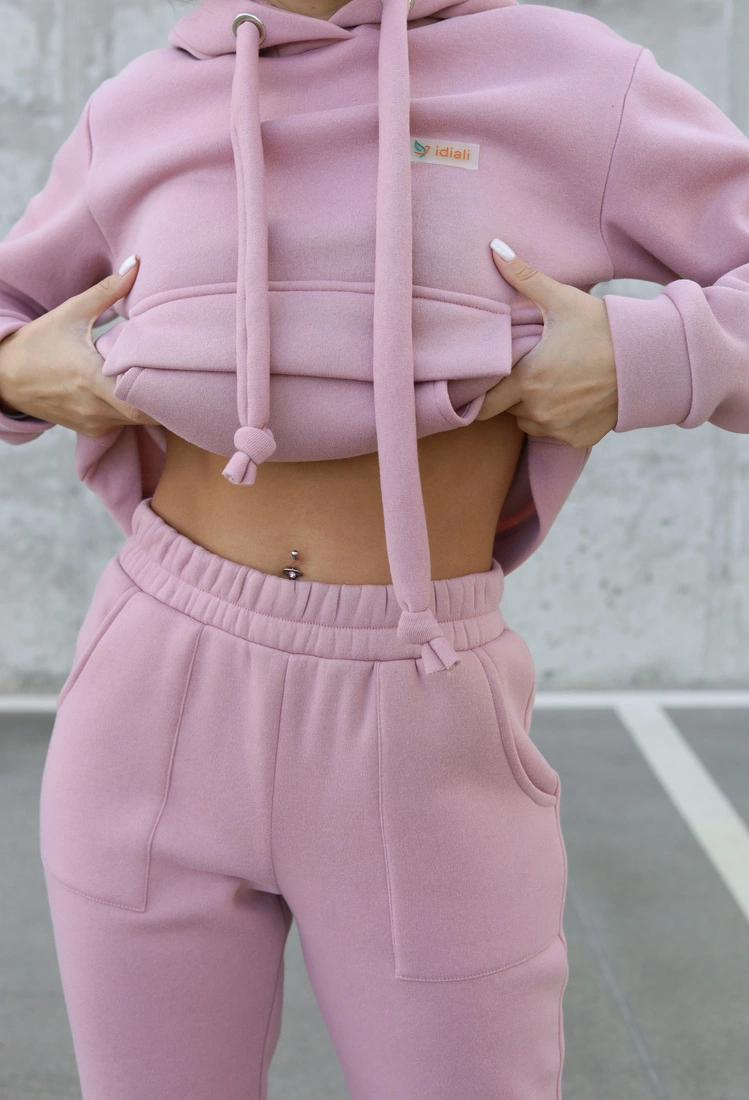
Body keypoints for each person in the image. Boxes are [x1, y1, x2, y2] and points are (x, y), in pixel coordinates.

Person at [1, 0, 748, 1094]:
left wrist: (650, 356)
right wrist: (16, 371)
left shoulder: (571, 80)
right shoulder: (144, 105)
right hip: (149, 699)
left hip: (419, 699)